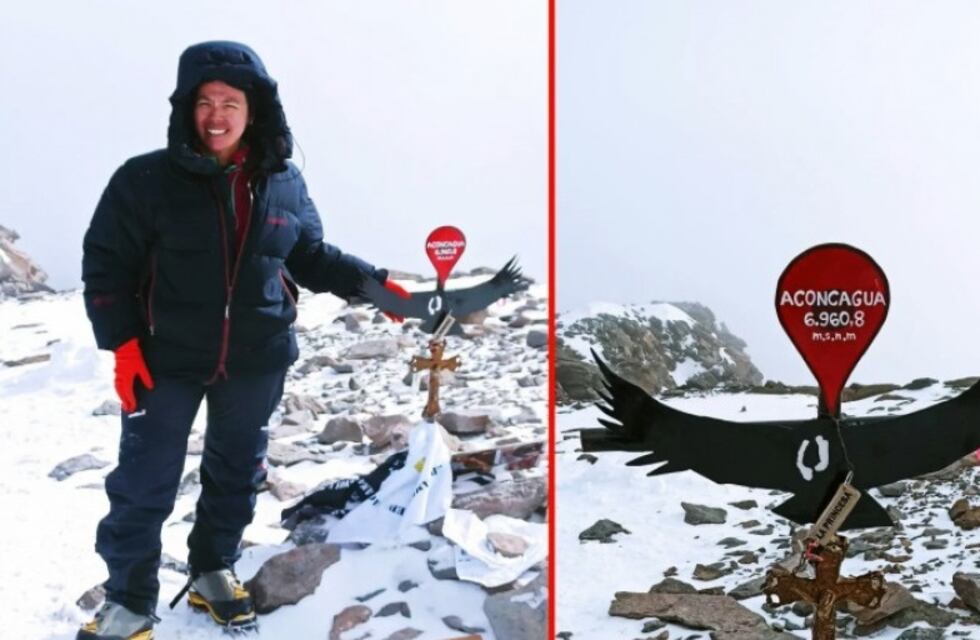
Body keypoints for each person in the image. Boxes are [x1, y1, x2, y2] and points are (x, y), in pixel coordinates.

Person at [78, 41, 407, 640]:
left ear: (255, 108)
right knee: (144, 482)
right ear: (186, 108)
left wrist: (378, 289)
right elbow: (105, 266)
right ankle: (128, 603)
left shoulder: (283, 182)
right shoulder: (143, 179)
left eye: (230, 101)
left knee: (235, 472)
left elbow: (308, 255)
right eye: (204, 101)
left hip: (257, 360)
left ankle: (211, 570)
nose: (217, 115)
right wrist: (122, 344)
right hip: (163, 360)